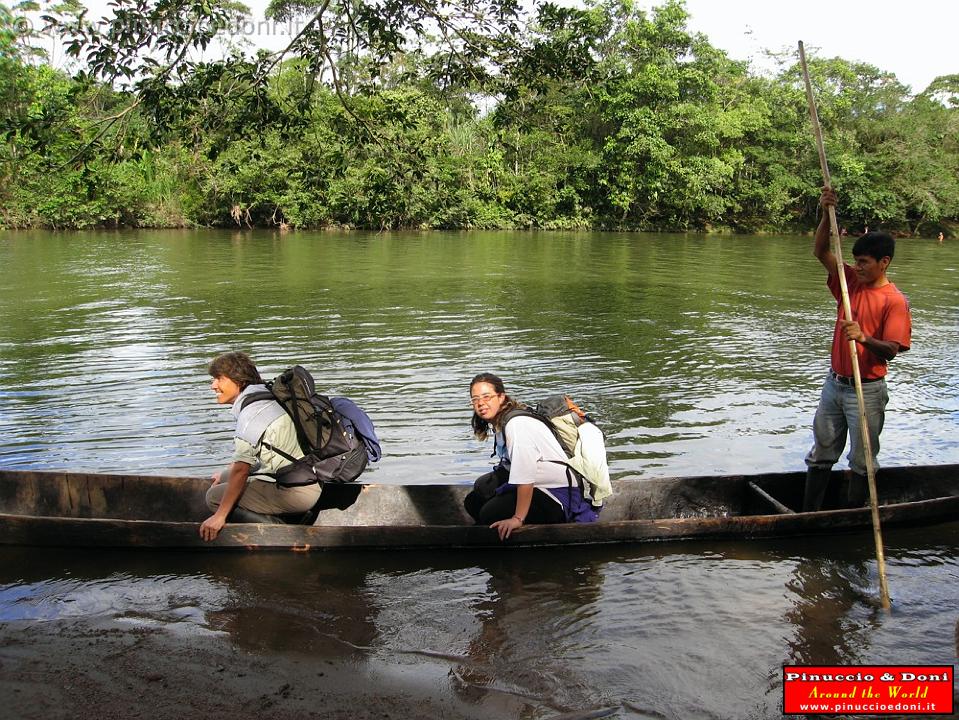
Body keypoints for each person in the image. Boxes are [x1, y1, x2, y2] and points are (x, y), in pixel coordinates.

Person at [803, 188, 912, 511]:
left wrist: (863, 338)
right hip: (834, 383)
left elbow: (892, 349)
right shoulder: (849, 282)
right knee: (822, 452)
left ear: (884, 262)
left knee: (862, 460)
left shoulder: (894, 301)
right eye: (856, 261)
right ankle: (808, 515)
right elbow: (820, 251)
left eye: (864, 263)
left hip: (867, 390)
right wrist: (826, 214)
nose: (858, 267)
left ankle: (852, 515)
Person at [200, 351, 321, 541]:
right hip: (307, 478)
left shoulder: (251, 414)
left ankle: (279, 531)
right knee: (225, 476)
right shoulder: (267, 395)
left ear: (238, 381)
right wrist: (228, 472)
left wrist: (219, 516)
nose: (213, 385)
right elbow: (265, 452)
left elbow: (241, 471)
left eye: (219, 379)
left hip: (296, 492)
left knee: (213, 497)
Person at [463, 373, 598, 540]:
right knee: (474, 500)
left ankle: (514, 530)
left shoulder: (516, 425)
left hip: (556, 495)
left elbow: (525, 476)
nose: (481, 403)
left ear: (501, 397)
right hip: (538, 487)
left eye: (486, 397)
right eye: (475, 399)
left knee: (489, 513)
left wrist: (517, 519)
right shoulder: (501, 422)